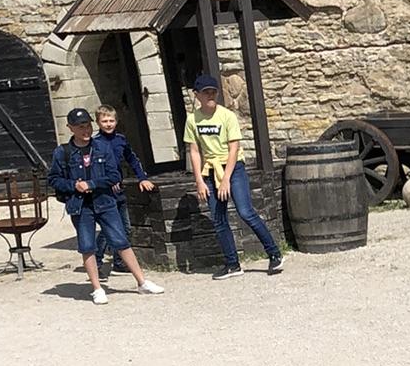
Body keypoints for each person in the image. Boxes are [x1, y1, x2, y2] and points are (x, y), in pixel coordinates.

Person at [47, 106, 164, 305]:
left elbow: (114, 175)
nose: (85, 130)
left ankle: (142, 282)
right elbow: (54, 179)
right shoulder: (63, 152)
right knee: (87, 246)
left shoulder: (102, 147)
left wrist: (92, 184)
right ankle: (97, 288)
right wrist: (73, 185)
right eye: (80, 127)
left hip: (105, 201)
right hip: (80, 206)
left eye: (87, 125)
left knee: (121, 241)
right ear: (70, 128)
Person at [184, 74, 283, 276]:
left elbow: (234, 148)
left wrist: (226, 180)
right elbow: (194, 151)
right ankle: (232, 264)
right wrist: (199, 181)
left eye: (213, 92)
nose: (210, 95)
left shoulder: (227, 116)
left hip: (233, 167)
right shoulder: (192, 119)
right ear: (197, 95)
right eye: (206, 92)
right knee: (218, 218)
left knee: (245, 211)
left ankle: (274, 254)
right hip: (211, 169)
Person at [93, 104, 155, 281]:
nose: (108, 124)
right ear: (98, 122)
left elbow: (132, 159)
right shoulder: (95, 143)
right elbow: (95, 169)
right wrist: (106, 182)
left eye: (111, 120)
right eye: (104, 121)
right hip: (105, 192)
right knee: (107, 229)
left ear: (116, 121)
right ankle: (96, 264)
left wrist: (142, 177)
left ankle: (119, 263)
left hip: (119, 190)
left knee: (125, 227)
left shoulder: (121, 140)